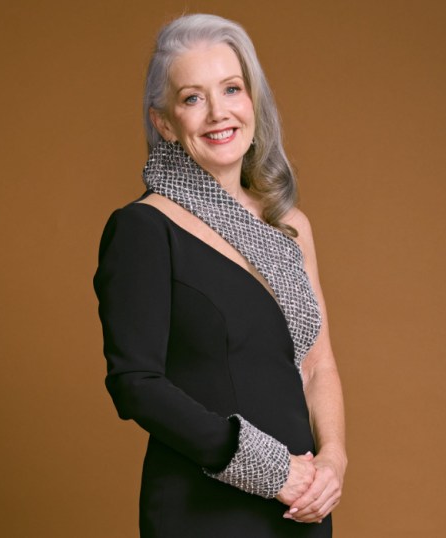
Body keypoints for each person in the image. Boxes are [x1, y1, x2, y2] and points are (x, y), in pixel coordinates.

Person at [93, 13, 346, 537]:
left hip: (300, 505)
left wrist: (333, 464)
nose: (218, 113)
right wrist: (268, 469)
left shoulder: (290, 226)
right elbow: (135, 383)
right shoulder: (144, 228)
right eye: (192, 98)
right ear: (164, 122)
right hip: (203, 509)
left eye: (231, 89)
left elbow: (318, 364)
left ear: (252, 99)